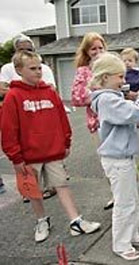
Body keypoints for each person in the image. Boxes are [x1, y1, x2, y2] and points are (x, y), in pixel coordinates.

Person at [0, 50, 101, 243]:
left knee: (62, 184)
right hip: (28, 157)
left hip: (53, 152)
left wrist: (66, 141)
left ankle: (75, 221)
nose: (38, 72)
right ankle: (41, 221)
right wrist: (16, 157)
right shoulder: (13, 96)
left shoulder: (49, 92)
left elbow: (61, 119)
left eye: (39, 67)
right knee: (34, 191)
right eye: (32, 68)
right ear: (19, 70)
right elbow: (8, 130)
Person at [89, 53, 139, 261]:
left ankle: (132, 234)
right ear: (105, 77)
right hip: (117, 160)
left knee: (132, 200)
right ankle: (121, 244)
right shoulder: (107, 99)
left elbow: (128, 119)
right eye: (120, 77)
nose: (124, 81)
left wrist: (137, 118)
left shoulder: (112, 99)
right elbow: (132, 113)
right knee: (124, 203)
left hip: (124, 157)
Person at [0, 34, 60, 201]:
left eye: (29, 49)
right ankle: (30, 190)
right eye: (21, 49)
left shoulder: (42, 67)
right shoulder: (6, 69)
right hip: (21, 118)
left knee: (51, 159)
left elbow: (51, 89)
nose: (25, 51)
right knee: (27, 159)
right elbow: (1, 89)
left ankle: (51, 186)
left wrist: (26, 92)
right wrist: (23, 93)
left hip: (41, 116)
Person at [70, 32, 113, 210]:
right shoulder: (84, 71)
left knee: (124, 159)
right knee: (107, 161)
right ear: (87, 51)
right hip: (97, 123)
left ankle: (126, 193)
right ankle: (115, 194)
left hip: (116, 119)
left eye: (100, 47)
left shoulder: (110, 65)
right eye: (93, 48)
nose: (97, 51)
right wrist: (97, 91)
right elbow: (76, 97)